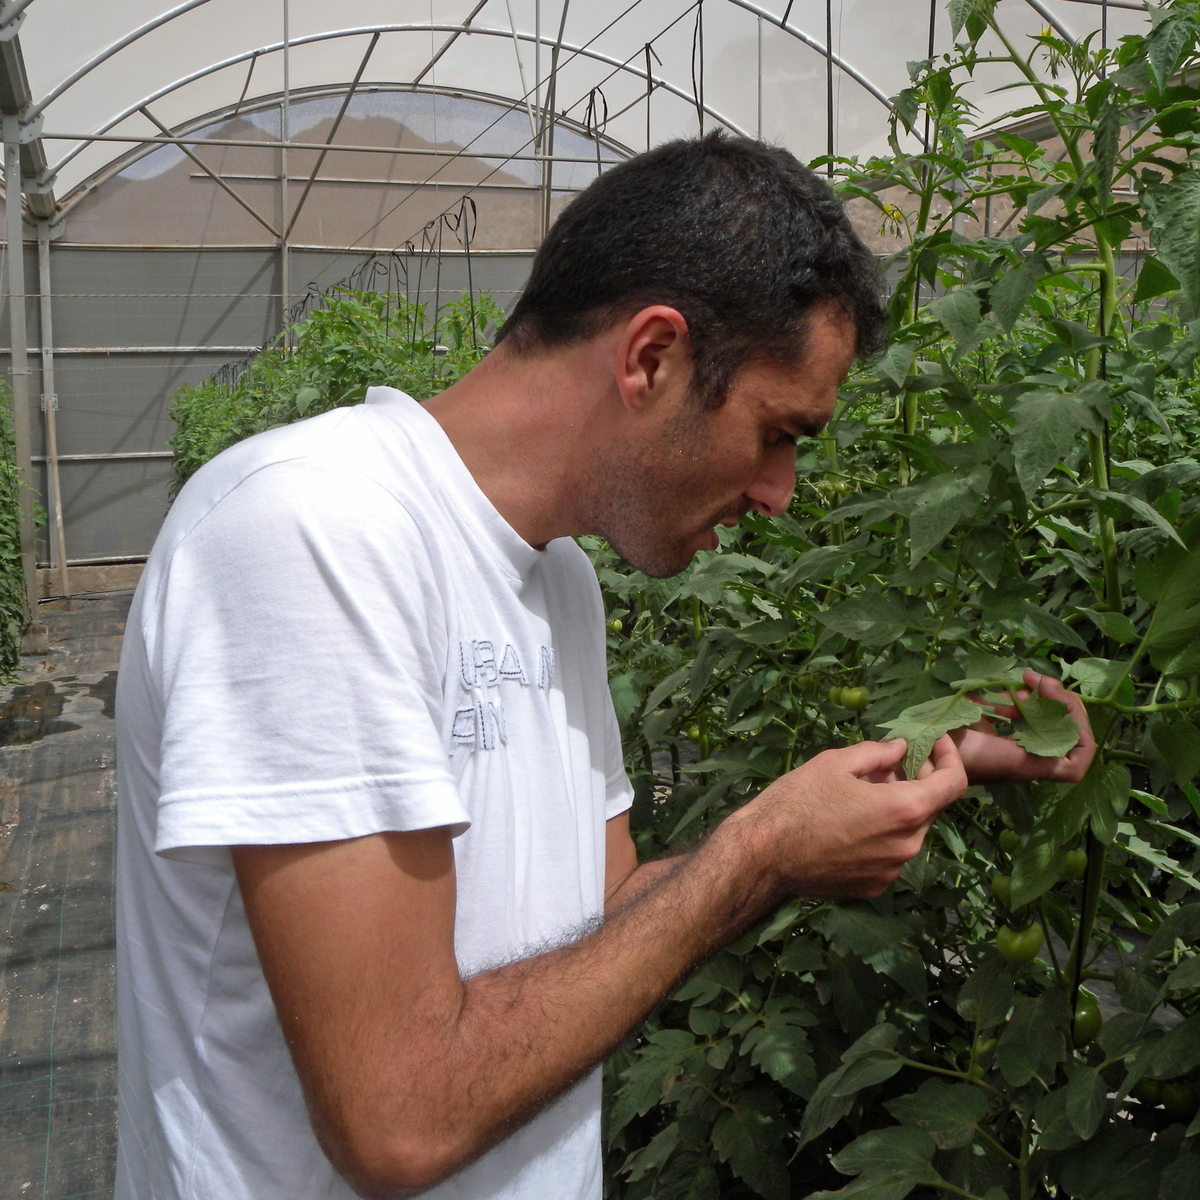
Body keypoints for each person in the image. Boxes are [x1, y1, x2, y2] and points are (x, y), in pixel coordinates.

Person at [113, 132, 1095, 1200]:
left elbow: (609, 906)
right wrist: (760, 852)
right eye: (778, 432)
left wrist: (919, 760)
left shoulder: (558, 580)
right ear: (652, 359)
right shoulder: (312, 531)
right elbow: (397, 1118)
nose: (781, 492)